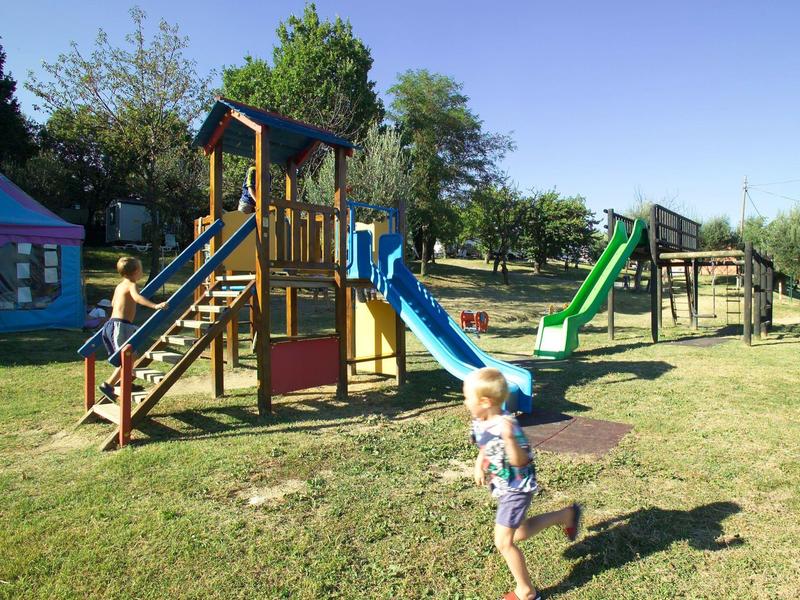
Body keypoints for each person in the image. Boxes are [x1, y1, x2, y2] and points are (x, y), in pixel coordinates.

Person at [464, 367, 582, 600]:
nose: (465, 401)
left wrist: (508, 439)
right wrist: (480, 464)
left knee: (503, 542)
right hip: (503, 486)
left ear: (485, 401)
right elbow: (484, 446)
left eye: (467, 397)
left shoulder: (508, 427)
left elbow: (520, 461)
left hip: (516, 489)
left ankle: (526, 592)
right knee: (517, 533)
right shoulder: (480, 421)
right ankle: (566, 515)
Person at [98, 257, 168, 401]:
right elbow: (137, 298)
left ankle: (125, 382)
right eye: (141, 269)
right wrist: (155, 306)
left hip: (114, 324)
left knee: (132, 356)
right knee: (127, 359)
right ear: (136, 271)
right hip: (120, 326)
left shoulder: (120, 286)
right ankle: (108, 385)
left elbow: (113, 302)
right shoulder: (132, 285)